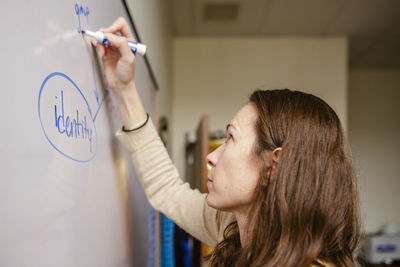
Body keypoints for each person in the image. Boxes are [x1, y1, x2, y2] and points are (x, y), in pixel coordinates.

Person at [97, 17, 361, 267]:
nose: (211, 157)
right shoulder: (238, 228)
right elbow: (167, 191)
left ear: (274, 164)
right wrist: (124, 87)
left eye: (231, 138)